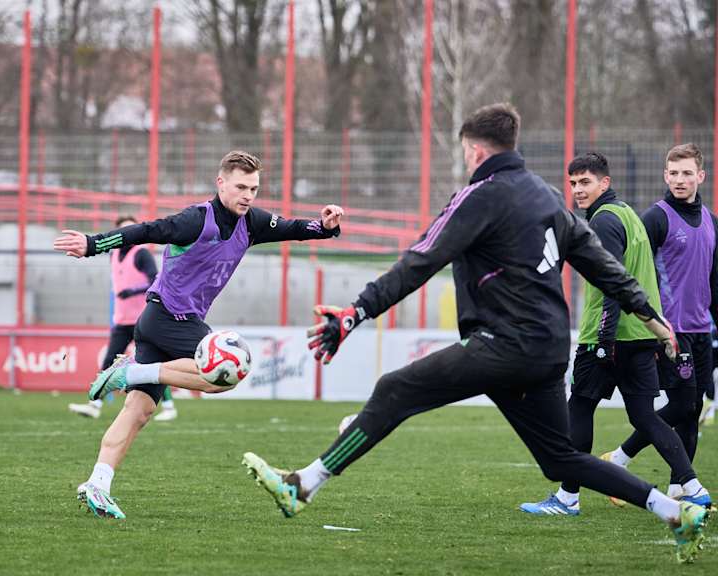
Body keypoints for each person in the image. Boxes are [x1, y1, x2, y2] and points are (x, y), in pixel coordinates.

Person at [240, 104, 709, 563]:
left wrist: (354, 312)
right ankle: (674, 511)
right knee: (560, 460)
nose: (466, 161)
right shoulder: (546, 195)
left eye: (466, 153)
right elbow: (601, 264)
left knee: (395, 388)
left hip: (505, 343)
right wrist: (651, 315)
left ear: (476, 150)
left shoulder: (478, 195)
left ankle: (302, 484)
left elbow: (420, 260)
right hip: (547, 349)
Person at [52, 150, 344, 519]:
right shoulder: (195, 220)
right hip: (168, 318)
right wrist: (94, 244)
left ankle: (98, 483)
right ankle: (131, 373)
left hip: (160, 321)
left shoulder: (251, 222)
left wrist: (326, 226)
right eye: (240, 186)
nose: (248, 195)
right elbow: (145, 230)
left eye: (253, 188)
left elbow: (293, 228)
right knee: (227, 374)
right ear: (220, 183)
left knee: (138, 412)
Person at [520, 152, 709, 515]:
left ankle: (567, 499)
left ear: (604, 183)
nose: (577, 189)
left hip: (609, 335)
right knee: (645, 416)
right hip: (640, 332)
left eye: (585, 182)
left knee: (579, 407)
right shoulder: (627, 214)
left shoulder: (605, 221)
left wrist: (604, 341)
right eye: (573, 183)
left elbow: (611, 283)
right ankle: (693, 486)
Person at [600, 143, 718, 500]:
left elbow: (713, 280)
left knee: (693, 409)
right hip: (670, 330)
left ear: (700, 176)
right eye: (673, 173)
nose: (679, 180)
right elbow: (632, 270)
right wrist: (648, 323)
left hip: (701, 330)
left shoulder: (712, 221)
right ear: (665, 175)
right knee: (683, 405)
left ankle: (676, 490)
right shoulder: (655, 217)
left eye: (686, 173)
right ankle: (619, 458)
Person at [67, 215, 179, 421]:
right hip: (121, 318)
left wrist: (132, 290)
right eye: (124, 230)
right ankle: (95, 404)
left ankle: (170, 407)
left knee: (150, 363)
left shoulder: (141, 254)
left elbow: (156, 280)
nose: (129, 235)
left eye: (132, 229)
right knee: (110, 360)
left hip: (143, 320)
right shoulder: (113, 254)